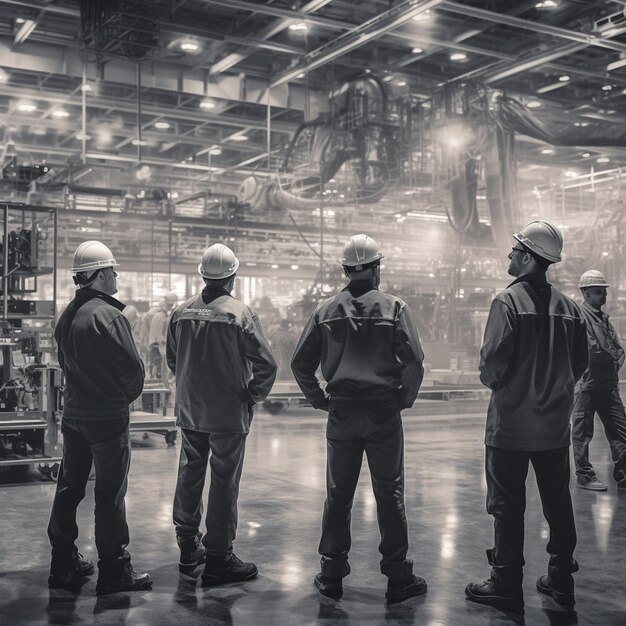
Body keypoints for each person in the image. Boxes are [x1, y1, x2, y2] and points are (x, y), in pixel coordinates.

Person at [291, 233, 426, 604]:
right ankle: (398, 576)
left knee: (338, 493)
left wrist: (319, 399)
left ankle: (332, 571)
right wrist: (404, 399)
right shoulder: (395, 308)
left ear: (345, 270)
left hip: (343, 411)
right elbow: (414, 362)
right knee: (390, 493)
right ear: (377, 268)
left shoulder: (326, 310)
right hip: (383, 411)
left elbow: (300, 364)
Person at [465, 221, 589, 614]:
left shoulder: (507, 302)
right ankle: (560, 580)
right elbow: (581, 364)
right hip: (554, 429)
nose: (510, 255)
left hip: (511, 429)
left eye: (515, 249)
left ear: (529, 257)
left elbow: (490, 366)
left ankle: (505, 583)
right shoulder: (571, 309)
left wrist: (507, 383)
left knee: (507, 506)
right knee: (558, 501)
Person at [167, 243, 277, 584]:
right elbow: (267, 365)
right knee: (224, 481)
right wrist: (251, 396)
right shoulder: (239, 314)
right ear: (233, 277)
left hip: (190, 408)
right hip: (227, 412)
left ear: (202, 276)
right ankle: (218, 556)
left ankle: (188, 547)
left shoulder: (181, 312)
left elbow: (174, 360)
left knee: (190, 472)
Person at [48, 241, 152, 595]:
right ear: (99, 275)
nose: (116, 275)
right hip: (107, 419)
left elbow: (64, 363)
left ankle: (62, 562)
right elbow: (133, 375)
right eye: (112, 270)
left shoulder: (65, 315)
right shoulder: (111, 316)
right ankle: (114, 569)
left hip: (74, 415)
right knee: (109, 494)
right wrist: (119, 398)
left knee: (69, 487)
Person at [572, 270, 626, 491]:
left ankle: (623, 473)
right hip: (587, 385)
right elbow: (595, 351)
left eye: (604, 292)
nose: (603, 296)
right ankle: (584, 476)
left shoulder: (602, 319)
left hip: (607, 385)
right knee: (582, 434)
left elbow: (615, 349)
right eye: (598, 292)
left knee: (621, 430)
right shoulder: (579, 318)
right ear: (586, 294)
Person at [141, 292, 178, 378]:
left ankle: (155, 376)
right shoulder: (160, 316)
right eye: (171, 305)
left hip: (154, 344)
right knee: (158, 366)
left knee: (155, 364)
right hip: (157, 345)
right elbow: (158, 335)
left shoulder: (157, 313)